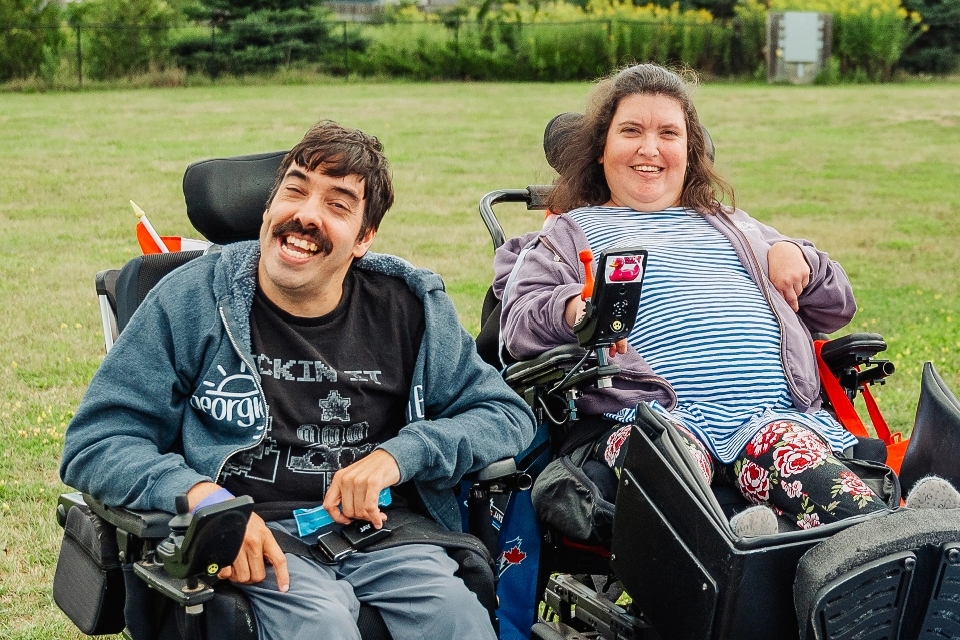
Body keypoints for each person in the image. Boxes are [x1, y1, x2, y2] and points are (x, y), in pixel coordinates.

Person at [61, 120, 537, 640]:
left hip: (384, 532)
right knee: (321, 627)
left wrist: (397, 457)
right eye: (295, 190)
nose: (307, 215)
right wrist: (206, 501)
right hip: (255, 534)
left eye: (337, 205)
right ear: (268, 209)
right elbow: (98, 441)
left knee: (459, 619)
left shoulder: (408, 305)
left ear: (363, 238)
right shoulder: (191, 299)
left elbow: (505, 414)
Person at [494, 63, 899, 537]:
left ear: (689, 152)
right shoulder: (569, 232)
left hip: (768, 418)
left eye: (669, 133)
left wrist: (798, 256)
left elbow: (837, 305)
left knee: (845, 504)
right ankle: (748, 544)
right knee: (668, 474)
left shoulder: (734, 225)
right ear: (601, 149)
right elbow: (517, 322)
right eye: (631, 131)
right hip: (654, 417)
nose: (650, 148)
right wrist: (574, 310)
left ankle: (908, 534)